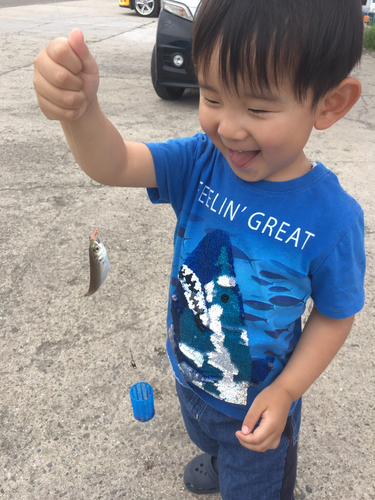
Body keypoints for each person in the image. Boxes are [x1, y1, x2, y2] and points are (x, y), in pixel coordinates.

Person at [33, 0, 366, 498]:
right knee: (203, 431)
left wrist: (286, 389)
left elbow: (336, 315)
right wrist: (80, 113)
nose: (228, 127)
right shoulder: (200, 161)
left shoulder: (333, 219)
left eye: (257, 107)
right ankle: (215, 454)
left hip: (259, 408)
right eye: (211, 97)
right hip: (191, 374)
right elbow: (115, 164)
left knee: (256, 482)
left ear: (329, 104)